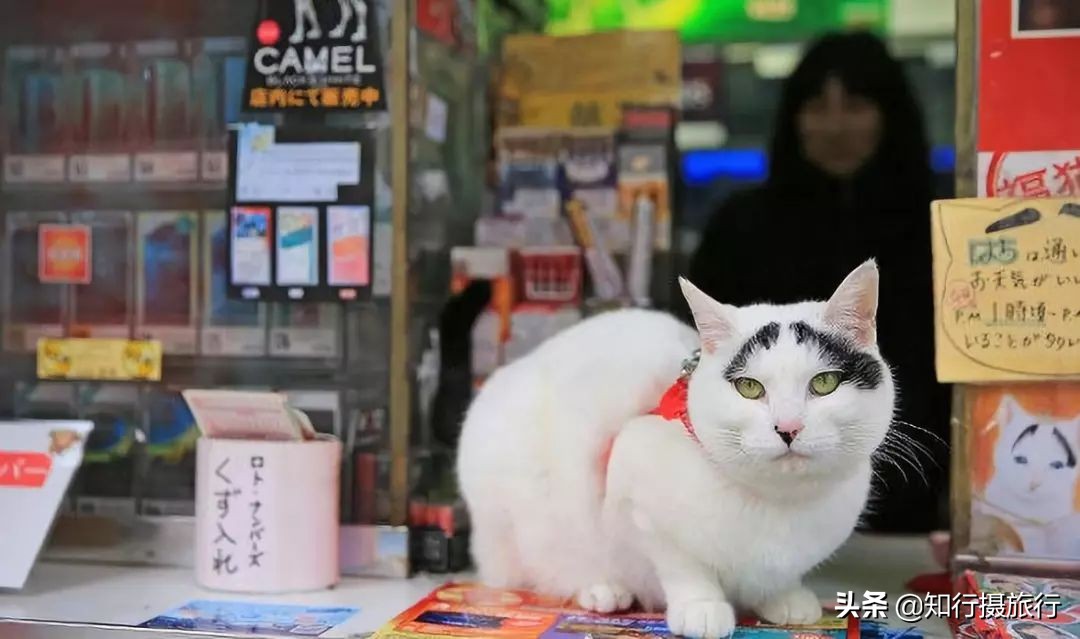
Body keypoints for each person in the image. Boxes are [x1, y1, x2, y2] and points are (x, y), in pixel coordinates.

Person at [681, 31, 949, 533]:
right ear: (792, 117)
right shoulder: (739, 226)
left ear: (890, 115)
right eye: (817, 106)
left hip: (909, 510)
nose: (835, 126)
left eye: (855, 104)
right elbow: (702, 364)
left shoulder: (938, 226)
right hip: (756, 510)